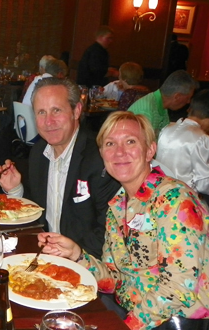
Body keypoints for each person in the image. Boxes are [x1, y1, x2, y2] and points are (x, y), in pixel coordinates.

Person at [38, 111, 209, 330]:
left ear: (150, 150)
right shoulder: (118, 205)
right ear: (102, 154)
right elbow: (114, 279)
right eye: (110, 144)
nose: (119, 152)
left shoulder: (174, 199)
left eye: (130, 141)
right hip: (131, 312)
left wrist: (124, 326)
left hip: (178, 321)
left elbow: (178, 288)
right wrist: (77, 255)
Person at [0, 77, 120, 258]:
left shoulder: (100, 157)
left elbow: (110, 229)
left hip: (87, 261)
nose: (48, 121)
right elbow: (40, 214)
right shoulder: (39, 152)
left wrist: (74, 255)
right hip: (46, 255)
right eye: (41, 112)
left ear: (76, 111)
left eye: (56, 110)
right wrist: (16, 190)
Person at [156, 89, 209, 196]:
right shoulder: (201, 138)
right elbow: (203, 184)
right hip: (181, 197)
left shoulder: (167, 128)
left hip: (158, 189)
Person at [128, 70, 198, 138]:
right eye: (188, 98)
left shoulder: (161, 105)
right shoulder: (145, 111)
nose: (188, 101)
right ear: (177, 97)